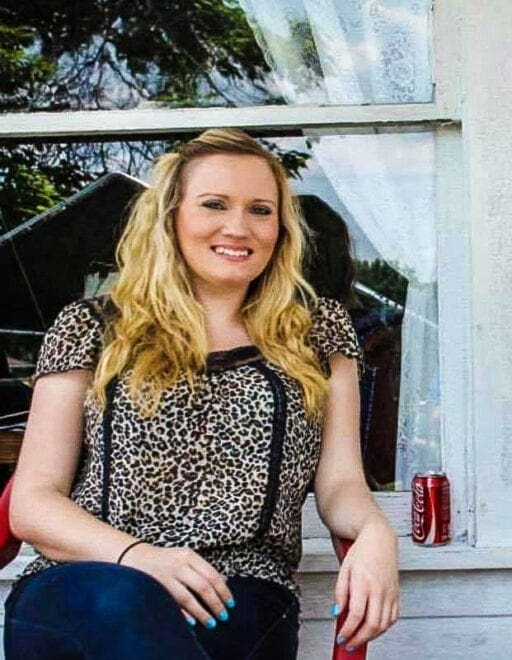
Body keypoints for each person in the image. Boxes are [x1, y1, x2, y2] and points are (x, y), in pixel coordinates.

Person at [4, 129, 399, 659]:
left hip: (241, 590)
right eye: (214, 204)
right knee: (121, 602)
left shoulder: (319, 331)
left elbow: (342, 484)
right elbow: (32, 504)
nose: (238, 227)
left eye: (261, 210)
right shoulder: (92, 327)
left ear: (281, 229)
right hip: (89, 578)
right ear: (171, 217)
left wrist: (377, 533)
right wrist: (140, 556)